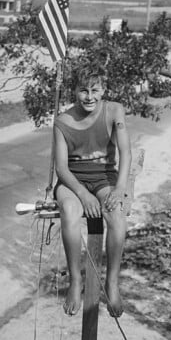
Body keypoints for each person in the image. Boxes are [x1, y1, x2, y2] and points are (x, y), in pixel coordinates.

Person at [53, 63, 132, 318]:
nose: (89, 96)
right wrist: (82, 194)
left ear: (103, 90)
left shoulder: (114, 111)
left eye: (95, 90)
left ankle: (111, 282)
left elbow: (125, 151)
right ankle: (75, 280)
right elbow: (61, 168)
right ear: (75, 91)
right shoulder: (63, 121)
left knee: (117, 214)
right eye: (83, 90)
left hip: (104, 177)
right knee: (69, 210)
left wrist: (120, 188)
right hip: (73, 180)